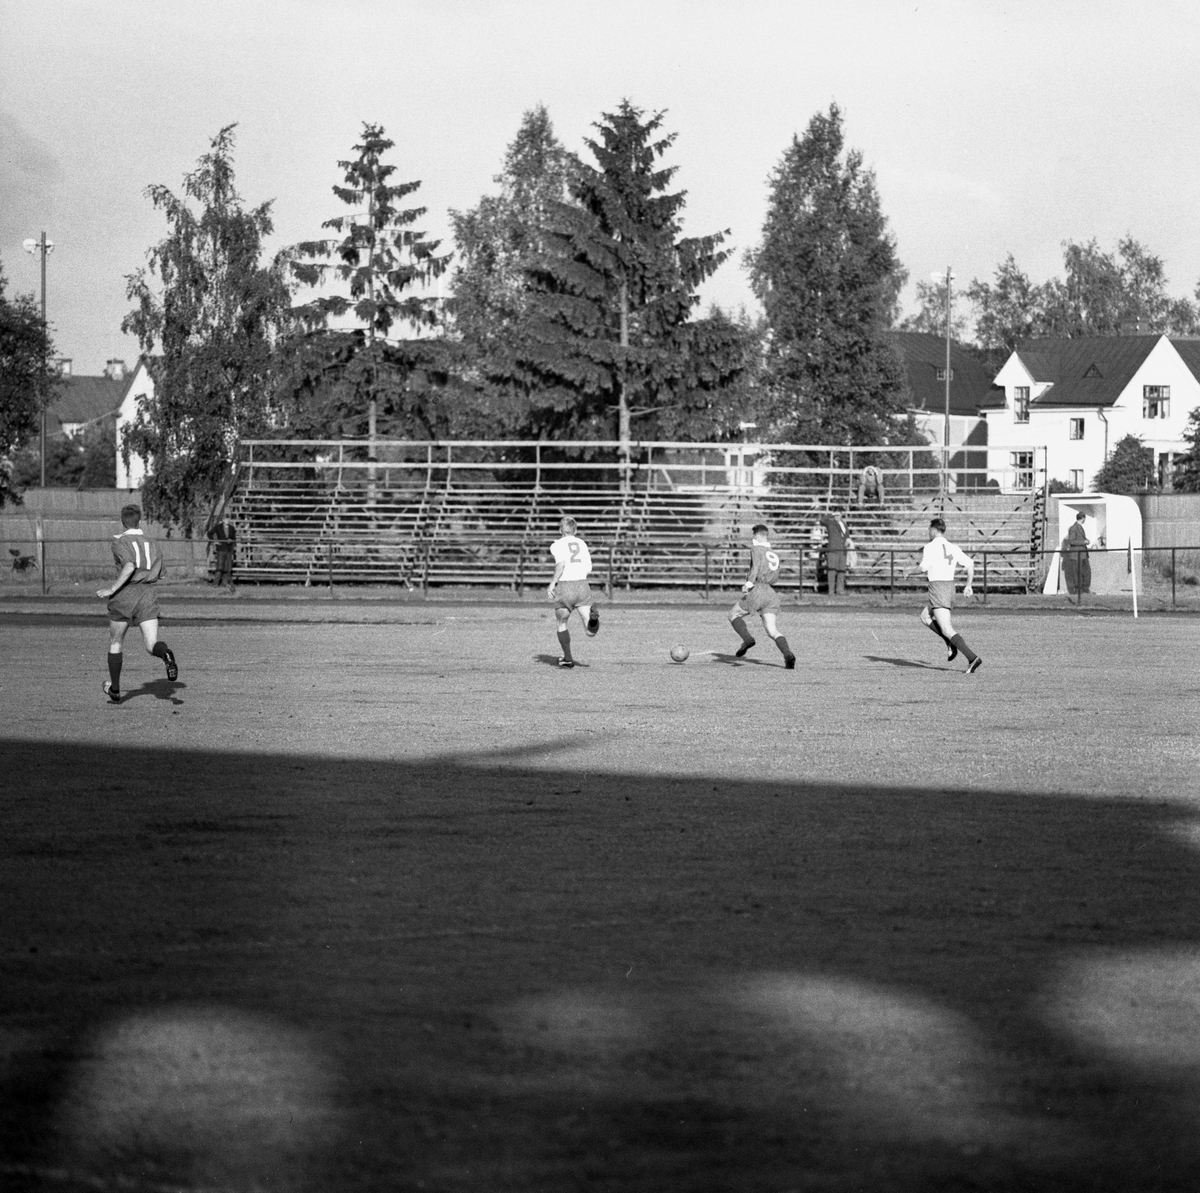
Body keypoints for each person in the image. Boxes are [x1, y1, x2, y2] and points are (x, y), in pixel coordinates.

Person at [97, 504, 179, 702]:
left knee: (116, 643)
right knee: (152, 645)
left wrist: (112, 589)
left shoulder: (119, 542)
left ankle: (115, 690)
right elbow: (162, 574)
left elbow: (129, 565)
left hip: (125, 594)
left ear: (122, 522)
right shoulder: (152, 542)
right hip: (148, 594)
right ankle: (166, 654)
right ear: (139, 521)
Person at [916, 516, 982, 673]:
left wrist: (907, 571)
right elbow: (970, 563)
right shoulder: (953, 547)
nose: (928, 532)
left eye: (929, 530)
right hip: (949, 587)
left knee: (946, 628)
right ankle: (950, 641)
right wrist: (968, 585)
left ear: (934, 530)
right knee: (925, 617)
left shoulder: (930, 546)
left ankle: (972, 658)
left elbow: (923, 568)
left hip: (939, 588)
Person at [728, 523, 796, 669]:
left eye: (754, 535)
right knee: (772, 630)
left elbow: (755, 569)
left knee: (733, 614)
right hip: (771, 593)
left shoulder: (756, 549)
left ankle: (747, 639)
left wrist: (748, 585)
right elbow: (776, 577)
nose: (753, 538)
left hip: (758, 589)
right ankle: (788, 654)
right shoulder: (773, 553)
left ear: (758, 535)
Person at [547, 517, 600, 669]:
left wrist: (552, 584)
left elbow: (561, 564)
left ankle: (568, 659)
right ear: (575, 530)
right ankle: (594, 619)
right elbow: (589, 567)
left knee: (562, 623)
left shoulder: (556, 545)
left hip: (565, 586)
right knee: (590, 631)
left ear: (560, 530)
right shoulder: (582, 543)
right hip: (583, 585)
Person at [821, 511, 849, 594]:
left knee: (841, 570)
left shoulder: (844, 524)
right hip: (833, 550)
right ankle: (831, 590)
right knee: (832, 570)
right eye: (835, 515)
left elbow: (847, 536)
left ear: (841, 515)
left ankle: (840, 590)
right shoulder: (830, 523)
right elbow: (822, 521)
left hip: (843, 550)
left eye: (838, 515)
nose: (837, 516)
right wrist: (830, 514)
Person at [1064, 511, 1091, 596]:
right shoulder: (1073, 528)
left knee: (1086, 571)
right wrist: (1083, 541)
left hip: (1082, 554)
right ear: (1083, 518)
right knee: (1077, 573)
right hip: (1076, 554)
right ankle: (1078, 590)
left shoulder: (1079, 527)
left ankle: (1085, 588)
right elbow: (1071, 541)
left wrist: (1085, 541)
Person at [208, 514, 237, 589]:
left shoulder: (232, 528)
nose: (227, 520)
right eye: (225, 519)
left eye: (228, 519)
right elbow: (209, 533)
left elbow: (234, 538)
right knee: (220, 566)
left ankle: (224, 583)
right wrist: (215, 541)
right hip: (221, 549)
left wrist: (231, 540)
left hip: (228, 549)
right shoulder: (218, 527)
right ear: (223, 520)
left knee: (227, 567)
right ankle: (215, 583)